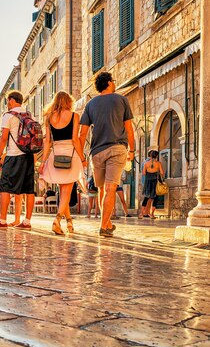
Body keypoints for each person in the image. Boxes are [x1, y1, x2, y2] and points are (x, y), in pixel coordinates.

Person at [79, 72, 135, 237]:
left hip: (97, 151)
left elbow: (82, 134)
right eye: (114, 81)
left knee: (103, 189)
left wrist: (81, 156)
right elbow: (129, 128)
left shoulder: (90, 104)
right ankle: (104, 226)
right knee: (111, 188)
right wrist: (132, 149)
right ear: (109, 83)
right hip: (117, 148)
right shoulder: (121, 100)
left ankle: (107, 223)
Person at [38, 91, 87, 235]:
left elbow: (47, 141)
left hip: (55, 154)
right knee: (66, 190)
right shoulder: (74, 116)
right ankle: (57, 221)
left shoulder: (49, 118)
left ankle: (69, 222)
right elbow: (75, 139)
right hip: (70, 154)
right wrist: (82, 158)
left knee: (63, 190)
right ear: (68, 102)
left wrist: (43, 161)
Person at [0, 91, 36, 230]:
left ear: (11, 100)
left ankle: (2, 220)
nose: (7, 104)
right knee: (28, 189)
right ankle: (26, 222)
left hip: (14, 154)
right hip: (28, 155)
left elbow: (3, 138)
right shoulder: (28, 115)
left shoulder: (8, 115)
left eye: (7, 102)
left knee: (4, 187)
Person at [140, 150, 164, 219]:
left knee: (146, 197)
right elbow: (162, 172)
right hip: (155, 181)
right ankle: (152, 214)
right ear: (156, 156)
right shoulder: (158, 163)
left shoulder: (146, 164)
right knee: (155, 198)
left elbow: (144, 173)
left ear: (150, 156)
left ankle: (141, 213)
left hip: (148, 181)